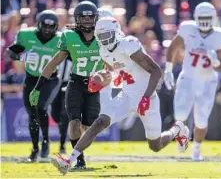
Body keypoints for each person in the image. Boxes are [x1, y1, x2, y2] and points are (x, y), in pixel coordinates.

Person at [50, 17, 190, 175]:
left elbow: (156, 71)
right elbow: (115, 74)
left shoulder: (127, 45)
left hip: (147, 97)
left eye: (106, 35)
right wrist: (103, 78)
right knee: (100, 122)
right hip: (126, 95)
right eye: (100, 36)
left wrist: (146, 98)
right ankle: (70, 160)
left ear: (116, 32)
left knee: (155, 146)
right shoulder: (103, 51)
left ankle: (177, 130)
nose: (104, 39)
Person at [29, 1, 103, 170]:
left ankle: (77, 152)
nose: (86, 20)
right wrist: (37, 87)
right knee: (74, 122)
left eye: (90, 16)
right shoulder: (69, 36)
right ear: (77, 19)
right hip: (76, 83)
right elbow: (54, 62)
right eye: (82, 17)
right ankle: (80, 160)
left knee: (90, 125)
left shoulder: (103, 36)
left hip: (95, 86)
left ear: (96, 18)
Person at [163, 2, 221, 161]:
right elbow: (173, 47)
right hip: (188, 77)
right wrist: (168, 70)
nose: (205, 21)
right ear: (196, 18)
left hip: (207, 81)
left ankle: (196, 149)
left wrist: (215, 63)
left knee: (201, 119)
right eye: (202, 18)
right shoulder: (188, 29)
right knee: (179, 114)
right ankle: (184, 135)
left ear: (214, 18)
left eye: (208, 18)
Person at [6, 10, 61, 162]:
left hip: (50, 79)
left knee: (41, 107)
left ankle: (45, 142)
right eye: (45, 26)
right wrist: (21, 56)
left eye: (52, 26)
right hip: (31, 79)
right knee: (32, 115)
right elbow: (9, 53)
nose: (48, 30)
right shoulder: (26, 35)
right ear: (38, 24)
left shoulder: (60, 39)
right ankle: (35, 149)